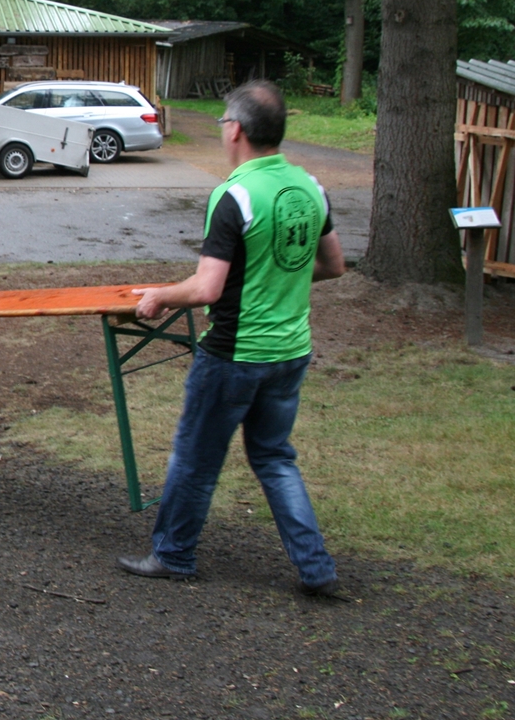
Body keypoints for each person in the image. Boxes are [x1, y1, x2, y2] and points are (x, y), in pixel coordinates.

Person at [118, 81, 347, 595]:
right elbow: (333, 265)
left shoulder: (235, 195)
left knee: (196, 459)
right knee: (274, 458)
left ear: (236, 130)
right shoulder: (310, 186)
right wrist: (277, 276)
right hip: (291, 352)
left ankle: (173, 555)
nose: (223, 130)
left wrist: (159, 297)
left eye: (223, 122)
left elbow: (206, 289)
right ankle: (316, 567)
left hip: (235, 356)